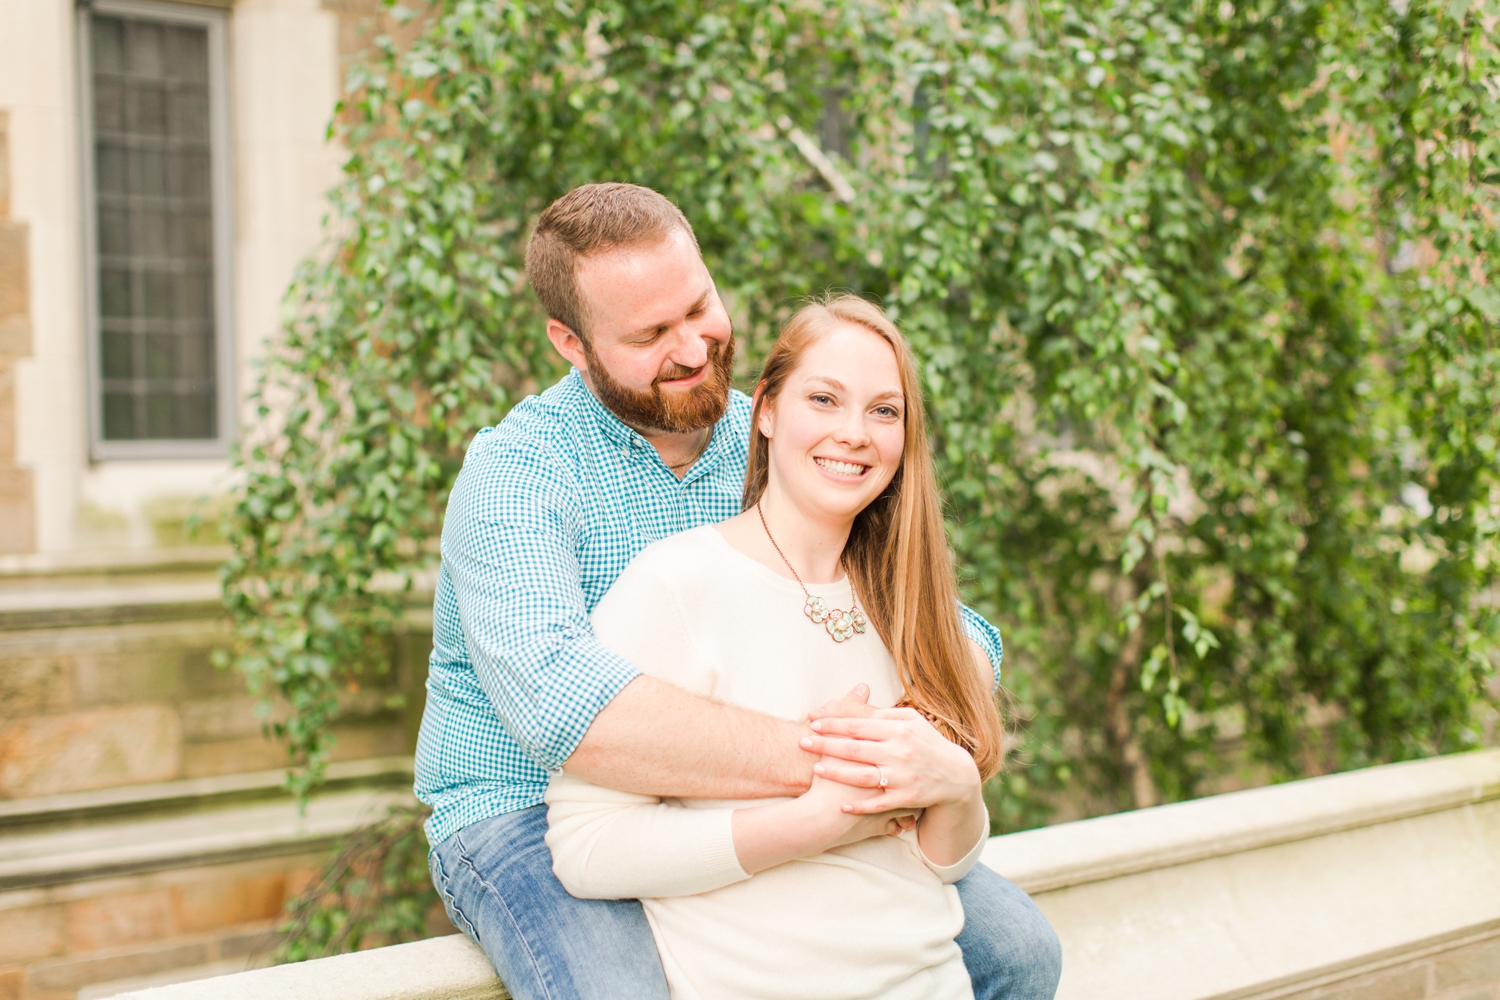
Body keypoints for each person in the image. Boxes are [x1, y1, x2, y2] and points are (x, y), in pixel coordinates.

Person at [416, 182, 1062, 1000]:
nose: (690, 348)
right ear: (570, 344)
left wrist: (923, 752)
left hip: (778, 801)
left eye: (698, 307)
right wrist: (842, 771)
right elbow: (562, 706)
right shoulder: (518, 473)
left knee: (1017, 953)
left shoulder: (774, 427)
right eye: (650, 333)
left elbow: (951, 627)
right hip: (525, 811)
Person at [544, 294, 1005, 999]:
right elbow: (586, 850)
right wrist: (814, 821)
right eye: (824, 399)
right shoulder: (675, 585)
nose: (854, 432)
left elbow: (939, 864)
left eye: (884, 411)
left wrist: (958, 785)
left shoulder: (917, 611)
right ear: (763, 411)